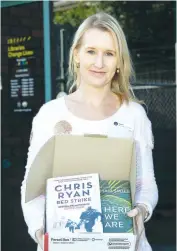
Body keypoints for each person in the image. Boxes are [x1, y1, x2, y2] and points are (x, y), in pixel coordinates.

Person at [21, 12, 158, 251]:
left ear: (119, 62)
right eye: (91, 51)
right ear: (76, 54)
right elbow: (32, 187)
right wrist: (38, 229)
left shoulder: (134, 115)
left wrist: (142, 209)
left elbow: (146, 183)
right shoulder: (49, 115)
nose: (99, 63)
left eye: (109, 53)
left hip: (124, 245)